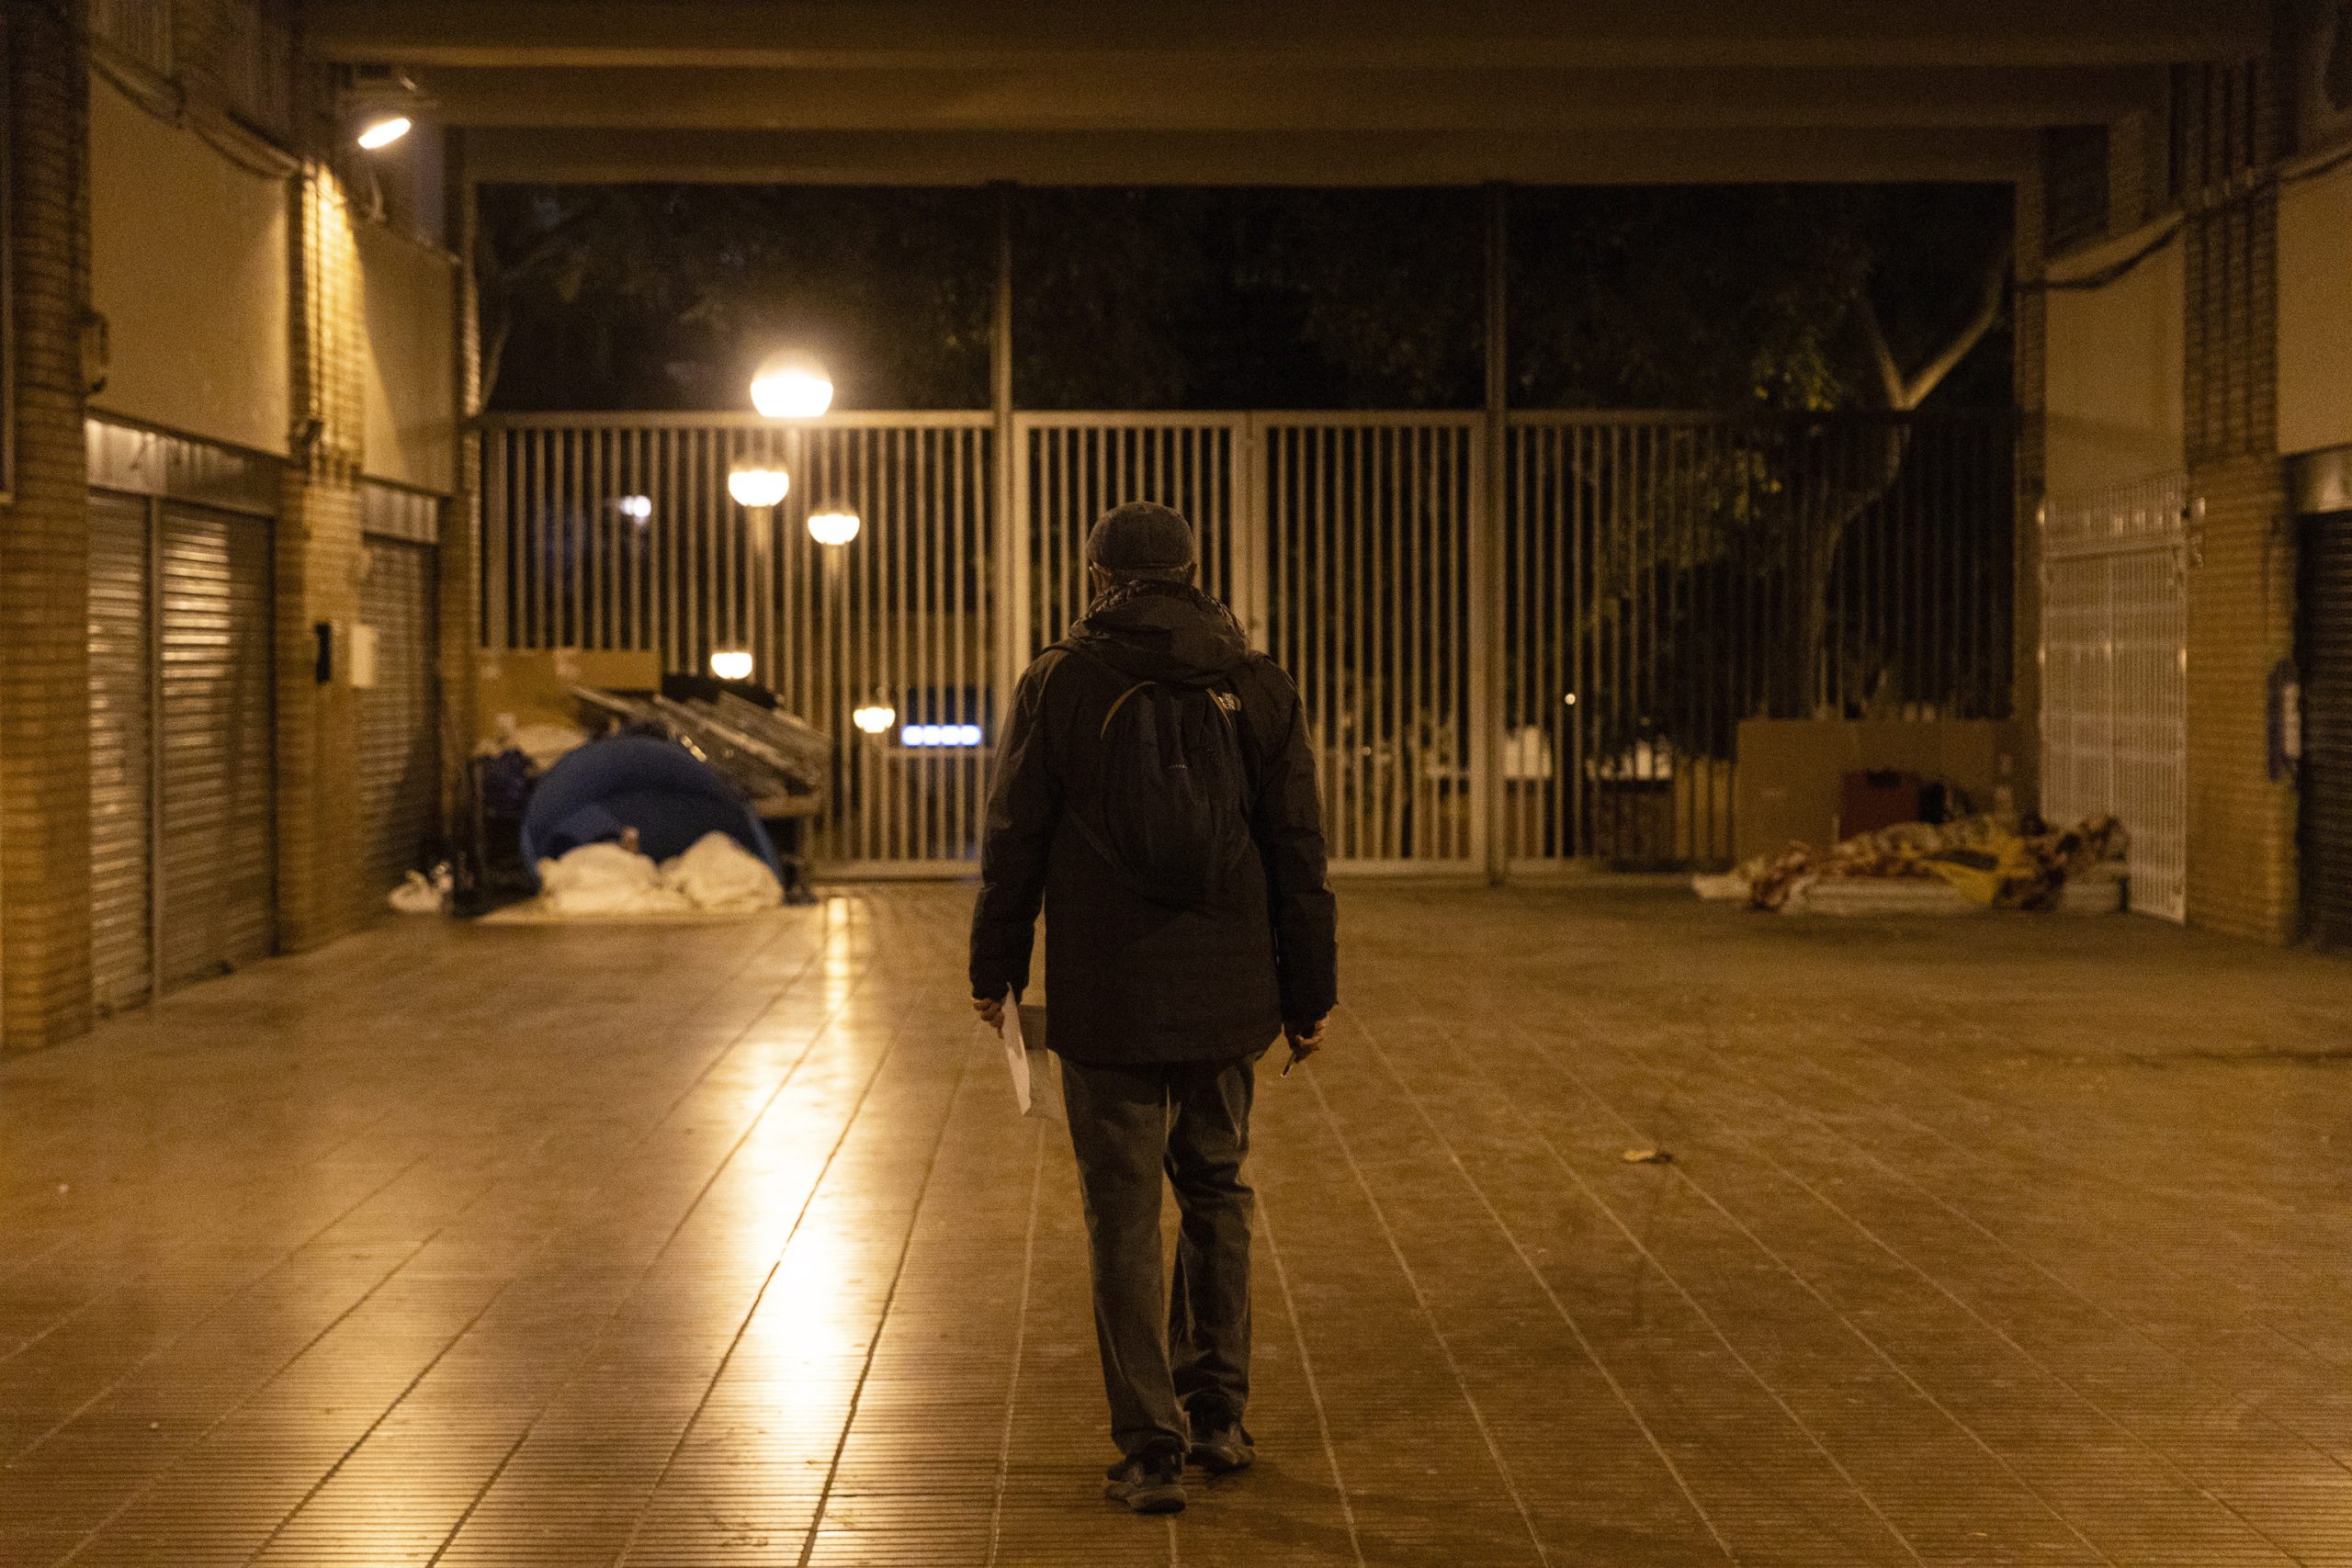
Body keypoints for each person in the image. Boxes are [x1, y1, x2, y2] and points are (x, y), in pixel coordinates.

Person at [969, 502, 1338, 1517]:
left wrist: (993, 967)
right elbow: (1298, 847)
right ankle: (1217, 1415)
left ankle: (1149, 1451)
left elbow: (1015, 839)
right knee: (1217, 1190)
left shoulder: (1060, 681)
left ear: (1095, 578)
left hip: (1108, 990)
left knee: (1120, 1215)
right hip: (1229, 994)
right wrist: (1310, 993)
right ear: (1192, 570)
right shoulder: (1255, 684)